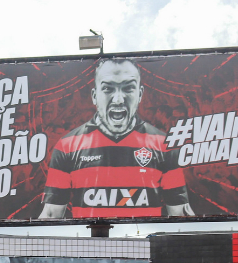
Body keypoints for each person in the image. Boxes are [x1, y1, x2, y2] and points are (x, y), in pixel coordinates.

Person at [39, 57, 194, 220]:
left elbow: (180, 214)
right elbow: (51, 214)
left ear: (140, 94)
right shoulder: (67, 146)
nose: (118, 99)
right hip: (89, 243)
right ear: (94, 96)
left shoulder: (164, 144)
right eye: (108, 89)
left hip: (143, 242)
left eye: (128, 88)